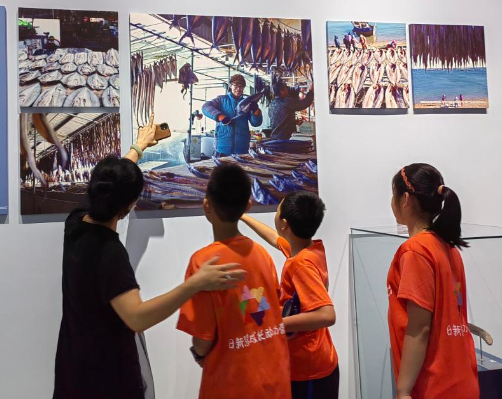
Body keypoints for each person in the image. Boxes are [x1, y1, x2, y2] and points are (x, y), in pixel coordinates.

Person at [53, 115, 247, 399]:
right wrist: (194, 284)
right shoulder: (110, 254)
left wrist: (139, 146)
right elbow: (137, 317)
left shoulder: (75, 223)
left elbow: (112, 183)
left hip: (73, 366)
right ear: (130, 206)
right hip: (107, 377)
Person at [177, 163, 291, 399]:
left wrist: (198, 354)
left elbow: (202, 341)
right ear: (247, 206)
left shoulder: (203, 263)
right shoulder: (262, 254)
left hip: (231, 385)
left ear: (206, 205)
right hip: (275, 379)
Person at [388, 164, 479, 399]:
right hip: (462, 381)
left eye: (393, 194)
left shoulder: (415, 250)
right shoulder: (448, 248)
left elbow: (420, 328)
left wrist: (403, 391)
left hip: (434, 386)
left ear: (405, 199)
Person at [241, 192, 339, 399]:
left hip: (309, 369)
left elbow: (326, 315)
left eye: (277, 210)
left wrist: (274, 324)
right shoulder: (308, 249)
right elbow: (273, 237)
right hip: (316, 361)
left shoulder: (301, 265)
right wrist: (243, 216)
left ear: (284, 223)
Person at [202, 74, 263, 157]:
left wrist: (256, 111)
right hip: (222, 149)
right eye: (236, 86)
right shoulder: (221, 100)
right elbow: (205, 107)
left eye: (241, 86)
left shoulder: (247, 102)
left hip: (242, 149)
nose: (238, 89)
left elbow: (256, 123)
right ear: (230, 85)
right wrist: (220, 117)